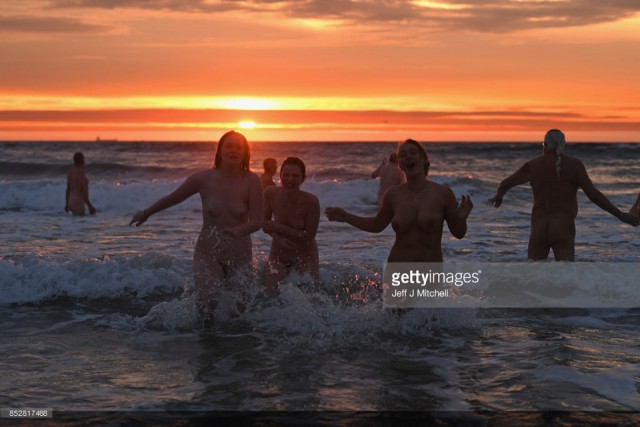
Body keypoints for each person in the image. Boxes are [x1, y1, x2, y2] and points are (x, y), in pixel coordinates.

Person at [129, 130, 263, 312]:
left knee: (239, 313)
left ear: (246, 152)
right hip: (208, 253)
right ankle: (203, 339)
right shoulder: (203, 179)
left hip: (239, 256)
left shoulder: (252, 181)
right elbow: (174, 197)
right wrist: (146, 212)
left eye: (239, 147)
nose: (234, 150)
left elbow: (257, 221)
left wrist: (238, 231)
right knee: (207, 305)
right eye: (229, 146)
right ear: (220, 150)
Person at [489, 129, 639, 261]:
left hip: (539, 228)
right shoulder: (575, 165)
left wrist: (499, 196)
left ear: (544, 145)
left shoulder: (533, 165)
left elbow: (505, 183)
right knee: (566, 278)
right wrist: (619, 214)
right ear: (563, 145)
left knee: (533, 276)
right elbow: (594, 195)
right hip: (562, 227)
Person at [326, 139, 473, 263]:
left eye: (413, 153)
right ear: (400, 164)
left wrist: (461, 219)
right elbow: (377, 225)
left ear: (424, 159)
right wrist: (346, 217)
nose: (408, 157)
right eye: (402, 155)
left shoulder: (443, 193)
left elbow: (459, 234)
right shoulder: (393, 195)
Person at [262, 157, 320, 293]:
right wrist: (278, 238)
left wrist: (279, 228)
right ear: (280, 175)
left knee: (310, 297)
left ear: (303, 179)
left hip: (304, 255)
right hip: (279, 253)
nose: (290, 179)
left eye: (295, 176)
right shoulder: (270, 193)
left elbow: (309, 235)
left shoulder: (311, 201)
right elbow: (265, 224)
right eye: (286, 175)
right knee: (267, 293)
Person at [65, 152, 96, 216]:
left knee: (75, 223)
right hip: (78, 202)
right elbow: (81, 189)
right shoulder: (80, 172)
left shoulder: (70, 172)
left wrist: (67, 204)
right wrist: (89, 205)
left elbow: (68, 189)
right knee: (80, 222)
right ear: (82, 160)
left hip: (71, 201)